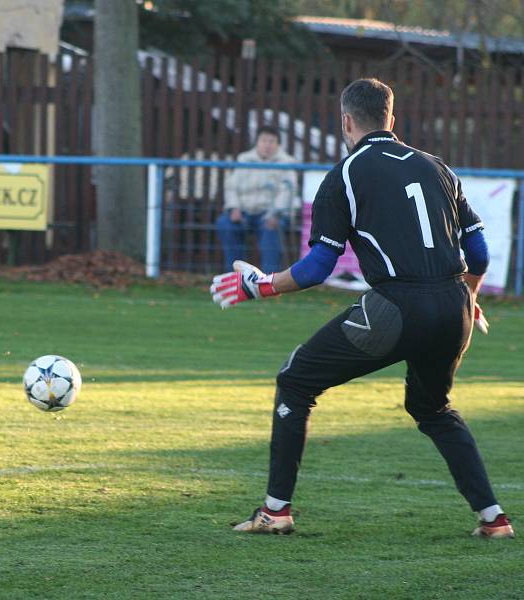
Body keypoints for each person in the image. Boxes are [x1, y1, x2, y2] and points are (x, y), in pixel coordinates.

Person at [210, 78, 513, 539]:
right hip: (455, 306)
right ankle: (494, 519)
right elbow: (480, 251)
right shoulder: (437, 167)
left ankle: (275, 512)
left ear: (346, 121)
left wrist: (261, 286)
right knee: (434, 409)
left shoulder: (346, 174)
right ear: (392, 119)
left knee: (295, 381)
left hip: (395, 307)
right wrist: (469, 295)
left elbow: (315, 269)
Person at [215, 126, 298, 273]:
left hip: (271, 214)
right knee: (225, 223)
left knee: (271, 230)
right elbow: (231, 187)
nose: (267, 145)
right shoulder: (243, 159)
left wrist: (274, 214)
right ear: (257, 143)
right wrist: (234, 208)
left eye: (272, 141)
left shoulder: (287, 162)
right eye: (264, 140)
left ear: (278, 144)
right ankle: (236, 275)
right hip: (244, 212)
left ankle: (269, 280)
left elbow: (288, 192)